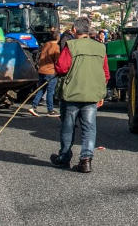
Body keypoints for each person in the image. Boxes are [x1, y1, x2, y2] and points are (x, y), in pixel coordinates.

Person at [51, 17, 109, 173]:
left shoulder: (71, 45)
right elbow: (105, 73)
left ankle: (64, 157)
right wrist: (100, 93)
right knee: (89, 128)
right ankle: (86, 160)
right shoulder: (100, 48)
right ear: (88, 30)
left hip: (72, 94)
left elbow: (62, 68)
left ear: (74, 30)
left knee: (68, 127)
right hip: (92, 95)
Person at [29, 34, 61, 117]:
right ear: (58, 38)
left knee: (41, 89)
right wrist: (58, 71)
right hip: (50, 71)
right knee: (50, 91)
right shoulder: (56, 47)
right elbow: (57, 61)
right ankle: (50, 110)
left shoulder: (46, 44)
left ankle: (34, 106)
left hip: (41, 70)